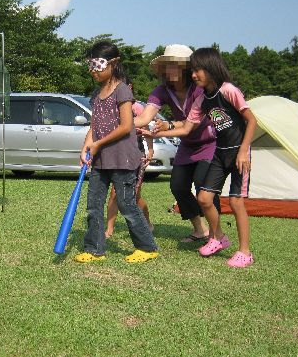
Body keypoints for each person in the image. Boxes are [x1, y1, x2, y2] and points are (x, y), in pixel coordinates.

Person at [155, 47, 257, 268]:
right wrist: (157, 132)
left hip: (239, 152)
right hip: (220, 152)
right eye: (192, 70)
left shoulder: (228, 90)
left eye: (198, 70)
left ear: (211, 67)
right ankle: (218, 237)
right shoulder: (202, 100)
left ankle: (245, 252)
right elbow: (186, 129)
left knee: (236, 201)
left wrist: (243, 151)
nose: (193, 75)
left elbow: (252, 120)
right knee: (203, 198)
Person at [74, 40, 158, 263]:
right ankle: (94, 249)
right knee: (93, 205)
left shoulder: (122, 90)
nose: (93, 71)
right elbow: (95, 125)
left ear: (113, 63)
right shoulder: (96, 94)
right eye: (90, 66)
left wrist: (99, 144)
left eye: (98, 66)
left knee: (126, 204)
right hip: (101, 160)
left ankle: (147, 248)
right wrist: (86, 147)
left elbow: (125, 126)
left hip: (123, 158)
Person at [134, 44, 223, 243]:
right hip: (187, 144)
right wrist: (119, 125)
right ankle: (200, 229)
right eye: (167, 66)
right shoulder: (162, 90)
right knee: (178, 186)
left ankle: (216, 235)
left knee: (203, 186)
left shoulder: (200, 88)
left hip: (210, 143)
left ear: (186, 68)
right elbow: (145, 116)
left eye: (175, 65)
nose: (170, 70)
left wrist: (168, 124)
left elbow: (193, 122)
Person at [105, 77, 154, 238]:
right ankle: (109, 228)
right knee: (114, 193)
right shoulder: (111, 107)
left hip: (135, 155)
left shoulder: (137, 108)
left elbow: (147, 131)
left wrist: (150, 150)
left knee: (134, 195)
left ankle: (146, 222)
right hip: (117, 154)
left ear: (130, 87)